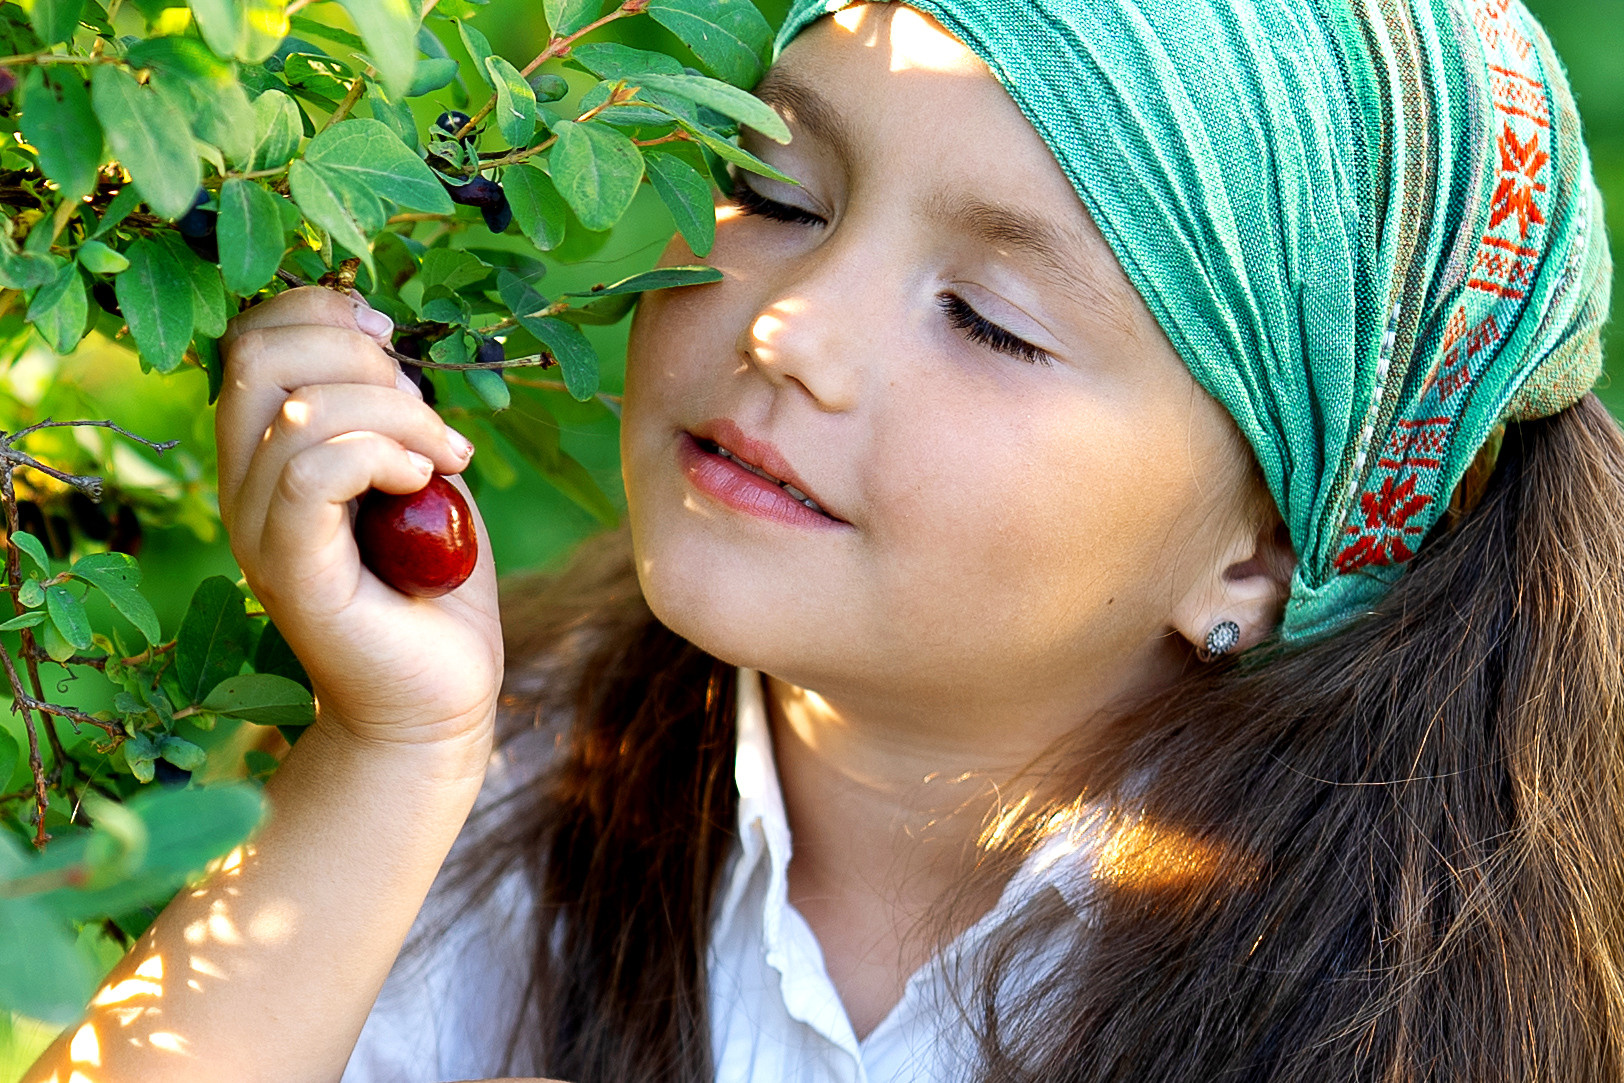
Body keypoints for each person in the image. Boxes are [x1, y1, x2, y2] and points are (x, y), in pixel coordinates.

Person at [27, 0, 1619, 1078]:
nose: (790, 324)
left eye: (989, 322)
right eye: (780, 190)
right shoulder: (516, 803)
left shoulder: (1417, 1013)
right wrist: (388, 759)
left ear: (1260, 551)